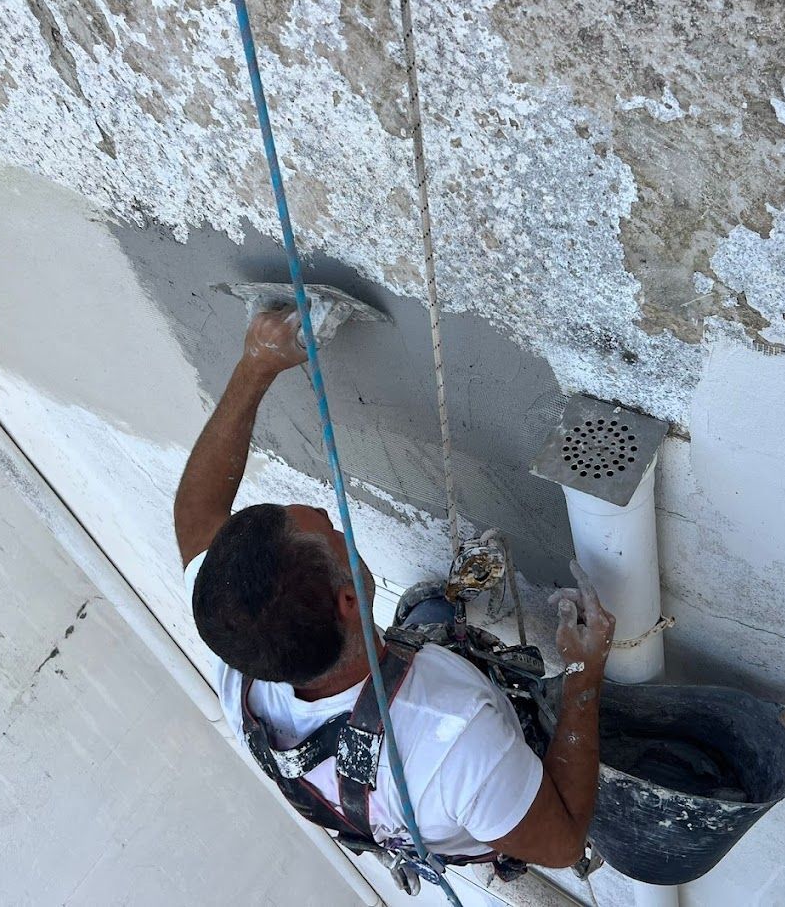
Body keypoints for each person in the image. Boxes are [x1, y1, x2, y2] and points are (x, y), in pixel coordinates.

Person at [174, 309, 615, 870]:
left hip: (395, 790)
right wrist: (583, 674)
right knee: (547, 731)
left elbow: (196, 516)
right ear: (350, 602)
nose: (331, 521)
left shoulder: (241, 649)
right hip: (480, 805)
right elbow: (563, 845)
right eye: (332, 532)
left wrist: (255, 366)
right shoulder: (456, 732)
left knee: (431, 608)